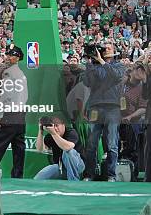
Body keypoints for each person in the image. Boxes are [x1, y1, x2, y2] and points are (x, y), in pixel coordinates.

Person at [82, 43, 125, 181]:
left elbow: (115, 76)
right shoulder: (94, 66)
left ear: (114, 52)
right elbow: (87, 82)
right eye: (103, 48)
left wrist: (101, 61)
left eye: (108, 48)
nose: (105, 50)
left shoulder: (119, 66)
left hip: (113, 107)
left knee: (112, 143)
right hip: (95, 106)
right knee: (91, 143)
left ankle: (111, 175)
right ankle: (89, 174)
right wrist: (89, 62)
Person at [0, 44, 28, 177]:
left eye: (11, 55)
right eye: (8, 55)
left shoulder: (8, 73)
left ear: (17, 58)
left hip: (8, 115)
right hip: (20, 115)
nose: (8, 57)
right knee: (19, 149)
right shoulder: (21, 74)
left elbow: (5, 95)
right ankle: (18, 177)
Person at [34, 115, 84, 181]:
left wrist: (54, 133)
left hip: (77, 165)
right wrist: (40, 131)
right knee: (39, 177)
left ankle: (73, 183)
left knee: (68, 152)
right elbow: (39, 149)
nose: (55, 128)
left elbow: (67, 147)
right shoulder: (50, 136)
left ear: (63, 124)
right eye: (53, 126)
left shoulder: (71, 132)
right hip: (61, 167)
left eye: (57, 125)